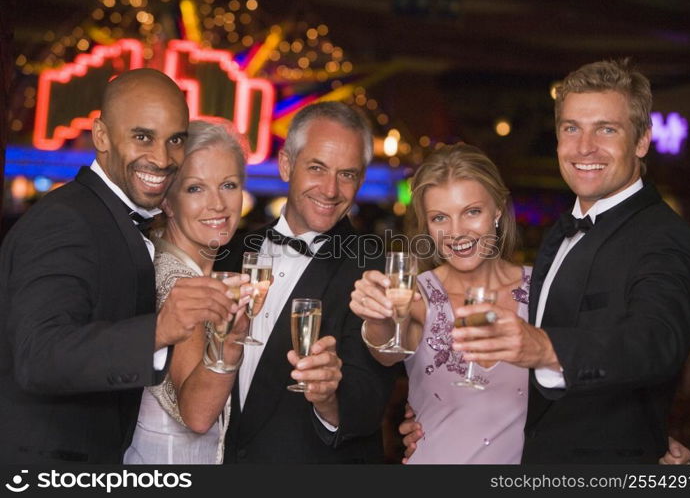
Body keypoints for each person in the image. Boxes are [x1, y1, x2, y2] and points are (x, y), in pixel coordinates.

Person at [450, 58, 690, 463]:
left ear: (641, 141)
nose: (584, 147)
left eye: (606, 129)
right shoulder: (563, 229)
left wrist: (546, 348)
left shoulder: (665, 236)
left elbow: (656, 341)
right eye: (572, 128)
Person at [0, 69, 236, 463]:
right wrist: (159, 331)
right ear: (102, 136)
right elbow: (37, 356)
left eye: (175, 140)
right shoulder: (66, 220)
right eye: (142, 137)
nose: (162, 159)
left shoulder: (115, 218)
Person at [212, 101, 398, 463]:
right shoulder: (229, 252)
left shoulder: (373, 266)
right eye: (317, 168)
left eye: (347, 174)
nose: (330, 190)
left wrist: (329, 399)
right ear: (286, 165)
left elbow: (368, 403)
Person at [351, 143, 531, 463]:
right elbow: (387, 351)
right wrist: (377, 316)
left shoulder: (544, 288)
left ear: (498, 210)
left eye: (472, 211)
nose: (456, 232)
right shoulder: (415, 294)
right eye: (439, 218)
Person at [123, 119, 252, 464]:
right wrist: (232, 342)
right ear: (167, 201)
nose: (218, 204)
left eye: (228, 185)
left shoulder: (169, 262)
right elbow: (197, 415)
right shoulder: (179, 282)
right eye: (195, 188)